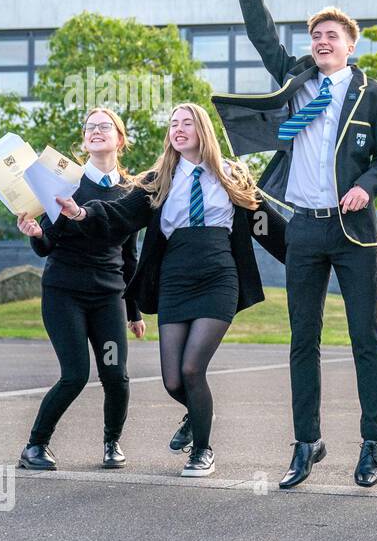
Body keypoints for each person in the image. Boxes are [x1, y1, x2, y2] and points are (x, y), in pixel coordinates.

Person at [232, 0, 377, 490]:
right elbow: (264, 41)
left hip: (353, 231)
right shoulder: (297, 82)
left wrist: (368, 186)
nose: (321, 41)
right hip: (304, 228)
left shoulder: (374, 96)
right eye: (315, 35)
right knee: (302, 338)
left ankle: (371, 441)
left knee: (364, 337)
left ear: (350, 43)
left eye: (331, 35)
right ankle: (307, 441)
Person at [56, 102, 286, 478]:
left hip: (218, 276)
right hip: (174, 279)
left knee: (193, 368)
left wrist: (310, 257)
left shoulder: (232, 175)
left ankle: (203, 450)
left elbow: (266, 225)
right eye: (173, 124)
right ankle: (200, 413)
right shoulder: (158, 179)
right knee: (173, 379)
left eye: (187, 123)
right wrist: (84, 213)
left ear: (203, 131)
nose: (178, 129)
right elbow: (121, 214)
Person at [15, 108, 145, 471]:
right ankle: (35, 446)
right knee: (75, 375)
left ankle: (111, 444)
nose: (96, 131)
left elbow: (130, 255)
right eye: (90, 127)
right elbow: (47, 242)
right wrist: (38, 235)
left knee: (115, 375)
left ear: (120, 138)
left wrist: (133, 311)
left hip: (108, 298)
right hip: (64, 293)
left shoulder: (132, 191)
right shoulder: (64, 182)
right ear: (84, 141)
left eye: (105, 126)